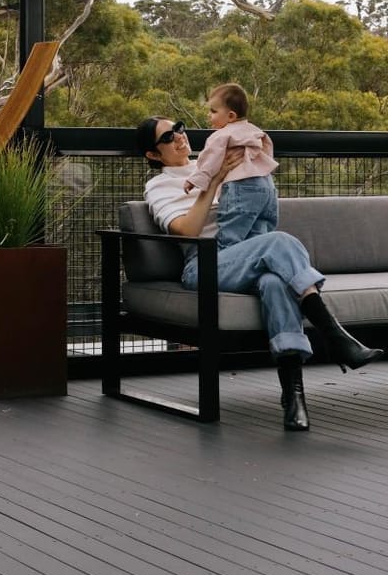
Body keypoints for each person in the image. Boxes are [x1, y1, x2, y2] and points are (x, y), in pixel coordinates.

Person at [134, 115, 383, 432]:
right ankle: (333, 335)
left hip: (247, 253)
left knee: (274, 283)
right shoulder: (159, 186)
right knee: (280, 242)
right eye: (167, 137)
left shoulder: (215, 160)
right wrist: (212, 182)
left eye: (178, 129)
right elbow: (186, 230)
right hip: (205, 264)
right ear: (153, 155)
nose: (179, 137)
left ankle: (293, 397)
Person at [184, 83, 278, 248]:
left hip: (241, 186)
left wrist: (194, 180)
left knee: (230, 238)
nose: (209, 115)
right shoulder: (254, 130)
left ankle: (222, 266)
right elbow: (267, 150)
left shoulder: (221, 135)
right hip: (267, 186)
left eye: (213, 111)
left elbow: (210, 160)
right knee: (259, 237)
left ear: (231, 116)